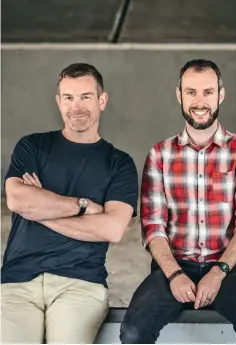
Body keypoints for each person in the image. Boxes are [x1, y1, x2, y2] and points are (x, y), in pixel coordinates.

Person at [120, 59, 236, 344]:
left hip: (228, 268)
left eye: (207, 92)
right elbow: (153, 226)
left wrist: (219, 272)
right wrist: (174, 273)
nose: (199, 101)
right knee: (132, 331)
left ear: (220, 95)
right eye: (191, 92)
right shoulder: (160, 154)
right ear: (179, 95)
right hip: (173, 268)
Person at [1, 63, 138, 344]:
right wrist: (85, 206)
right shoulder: (33, 146)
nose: (77, 106)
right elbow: (17, 199)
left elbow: (112, 228)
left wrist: (39, 210)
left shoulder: (119, 163)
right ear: (58, 102)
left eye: (86, 97)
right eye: (69, 98)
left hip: (80, 284)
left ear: (102, 100)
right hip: (17, 282)